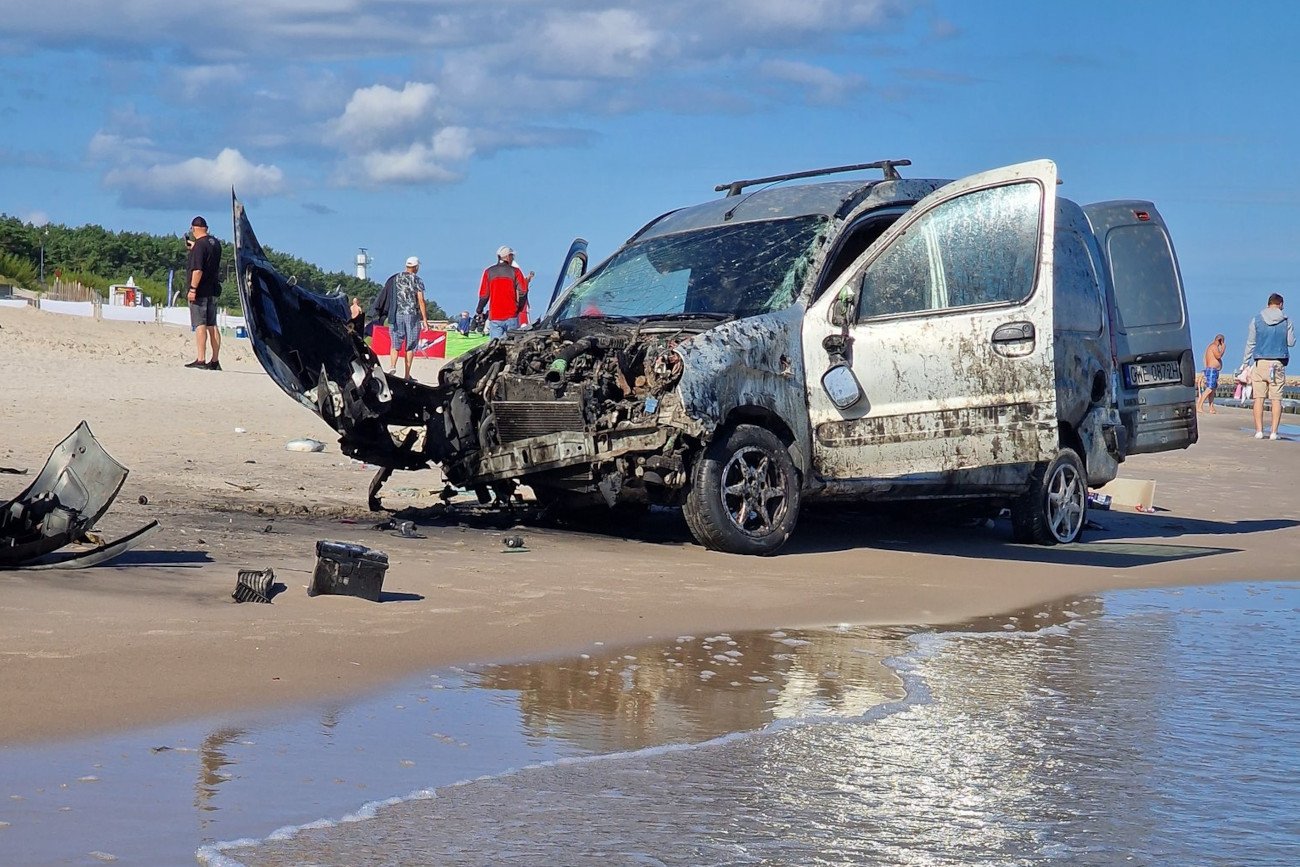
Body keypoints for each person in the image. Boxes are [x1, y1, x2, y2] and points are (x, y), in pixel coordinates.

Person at [1241, 292, 1295, 440]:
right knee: (1276, 399)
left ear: (1268, 304)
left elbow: (1250, 343)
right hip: (1277, 362)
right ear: (1281, 305)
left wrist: (1245, 363)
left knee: (1258, 398)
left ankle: (1259, 431)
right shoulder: (1286, 320)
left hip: (1260, 362)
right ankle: (1273, 432)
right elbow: (1291, 342)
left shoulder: (1256, 319)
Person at [376, 257, 429, 378]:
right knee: (410, 345)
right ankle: (407, 374)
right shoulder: (417, 280)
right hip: (412, 315)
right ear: (416, 267)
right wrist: (425, 319)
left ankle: (392, 366)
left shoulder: (396, 278)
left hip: (396, 313)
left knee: (395, 342)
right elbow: (421, 300)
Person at [184, 216, 223, 371]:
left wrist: (193, 289)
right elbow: (208, 255)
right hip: (212, 289)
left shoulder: (200, 246)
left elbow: (198, 269)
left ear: (194, 228)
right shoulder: (215, 243)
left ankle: (201, 359)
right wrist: (195, 247)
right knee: (212, 325)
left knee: (200, 324)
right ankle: (215, 360)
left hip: (200, 291)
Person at [475, 245, 529, 340]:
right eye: (512, 256)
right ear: (508, 256)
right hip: (511, 315)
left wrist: (479, 310)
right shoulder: (516, 272)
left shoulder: (488, 272)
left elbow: (484, 295)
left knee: (495, 349)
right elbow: (523, 291)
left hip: (495, 317)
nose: (513, 258)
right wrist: (519, 307)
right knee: (511, 347)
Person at [1196, 334, 1226, 414]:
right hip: (1212, 370)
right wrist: (1223, 348)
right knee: (1209, 389)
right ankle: (1199, 405)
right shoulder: (1213, 346)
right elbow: (1218, 356)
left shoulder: (1213, 347)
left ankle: (1211, 407)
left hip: (1215, 370)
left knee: (1212, 390)